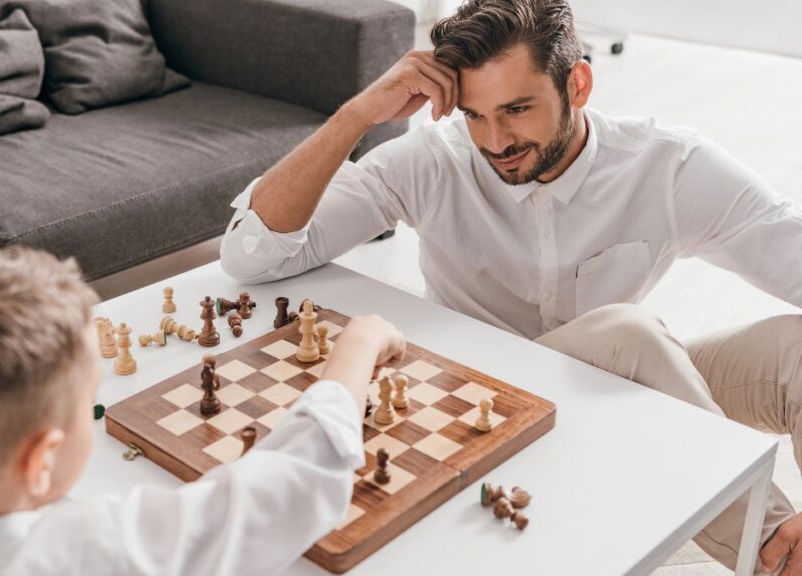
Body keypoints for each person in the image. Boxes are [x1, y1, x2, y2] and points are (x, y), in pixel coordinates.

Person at [219, 0, 802, 573]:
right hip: (480, 412)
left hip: (608, 394)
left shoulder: (667, 167)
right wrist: (359, 116)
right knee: (631, 332)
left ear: (577, 84)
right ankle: (774, 549)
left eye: (517, 109)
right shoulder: (431, 162)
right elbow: (254, 257)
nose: (495, 140)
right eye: (475, 114)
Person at [0, 246, 405, 576]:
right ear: (41, 458)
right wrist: (353, 350)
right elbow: (284, 491)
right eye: (89, 403)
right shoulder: (105, 550)